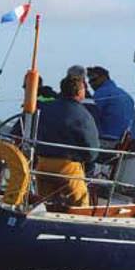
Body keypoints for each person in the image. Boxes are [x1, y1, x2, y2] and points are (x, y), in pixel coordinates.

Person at [33, 75, 99, 207]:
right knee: (80, 205)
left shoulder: (44, 109)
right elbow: (92, 152)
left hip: (42, 165)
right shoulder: (84, 115)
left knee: (44, 204)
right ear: (79, 92)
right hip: (67, 169)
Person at [86, 66, 135, 143]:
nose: (91, 84)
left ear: (104, 77)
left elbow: (89, 117)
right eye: (89, 82)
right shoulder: (126, 94)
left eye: (94, 80)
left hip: (109, 140)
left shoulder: (101, 93)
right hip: (129, 140)